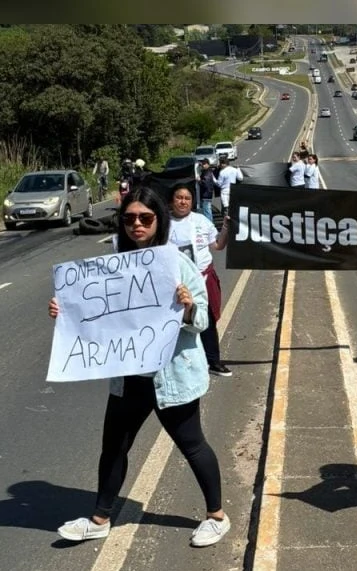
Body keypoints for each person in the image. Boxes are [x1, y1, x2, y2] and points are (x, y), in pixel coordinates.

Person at [48, 185, 230, 548]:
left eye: (145, 218)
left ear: (158, 221)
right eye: (129, 218)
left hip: (171, 376)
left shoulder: (176, 263)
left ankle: (216, 517)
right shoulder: (109, 266)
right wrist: (65, 311)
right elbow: (96, 315)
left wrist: (189, 306)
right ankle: (99, 519)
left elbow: (203, 323)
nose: (136, 225)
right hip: (129, 376)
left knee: (192, 444)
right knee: (113, 446)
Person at [169, 185, 233, 377]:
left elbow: (218, 245)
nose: (183, 201)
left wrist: (227, 229)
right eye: (179, 197)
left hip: (204, 278)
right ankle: (178, 363)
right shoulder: (163, 223)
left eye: (187, 198)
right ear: (172, 200)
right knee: (179, 322)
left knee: (208, 319)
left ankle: (213, 361)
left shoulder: (201, 220)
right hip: (177, 284)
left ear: (192, 201)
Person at [197, 158, 219, 223]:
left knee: (207, 211)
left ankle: (210, 225)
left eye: (204, 164)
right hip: (207, 194)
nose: (203, 165)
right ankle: (210, 224)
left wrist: (199, 180)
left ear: (208, 164)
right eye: (202, 164)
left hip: (206, 195)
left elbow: (205, 184)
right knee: (207, 210)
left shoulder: (207, 173)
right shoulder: (207, 172)